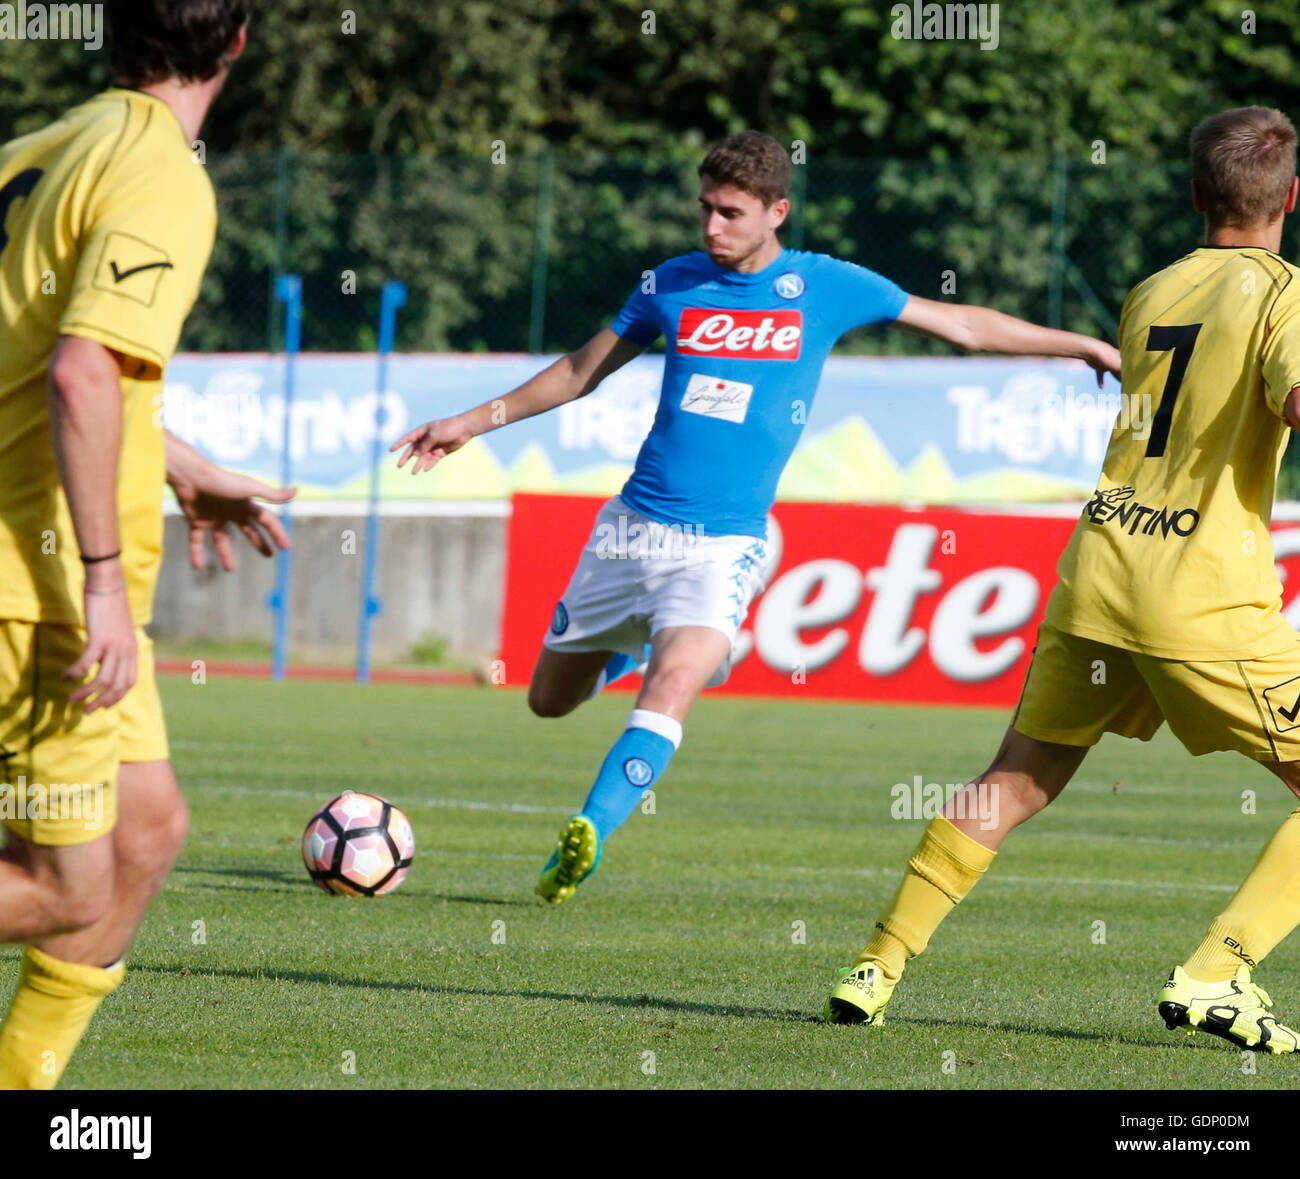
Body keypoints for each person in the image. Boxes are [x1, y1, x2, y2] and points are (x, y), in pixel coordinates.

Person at [393, 130, 1120, 906]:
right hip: (630, 531)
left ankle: (589, 834)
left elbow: (964, 325)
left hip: (722, 546)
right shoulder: (670, 284)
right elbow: (578, 371)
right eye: (705, 208)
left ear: (777, 210)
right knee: (549, 699)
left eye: (730, 213)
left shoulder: (826, 285)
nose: (712, 227)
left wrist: (1080, 344)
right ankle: (639, 653)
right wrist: (471, 420)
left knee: (675, 686)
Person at [827, 106, 1300, 1055]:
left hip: (1100, 568)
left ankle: (876, 965)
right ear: (1291, 197)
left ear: (1196, 195)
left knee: (1018, 776)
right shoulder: (1285, 292)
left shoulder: (1152, 287)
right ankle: (1219, 970)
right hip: (1198, 591)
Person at [0, 0, 293, 1089]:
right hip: (41, 589)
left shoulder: (46, 145)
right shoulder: (164, 171)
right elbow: (79, 371)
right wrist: (103, 587)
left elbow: (42, 367)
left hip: (49, 568)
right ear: (238, 43)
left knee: (148, 831)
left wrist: (180, 465)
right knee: (66, 887)